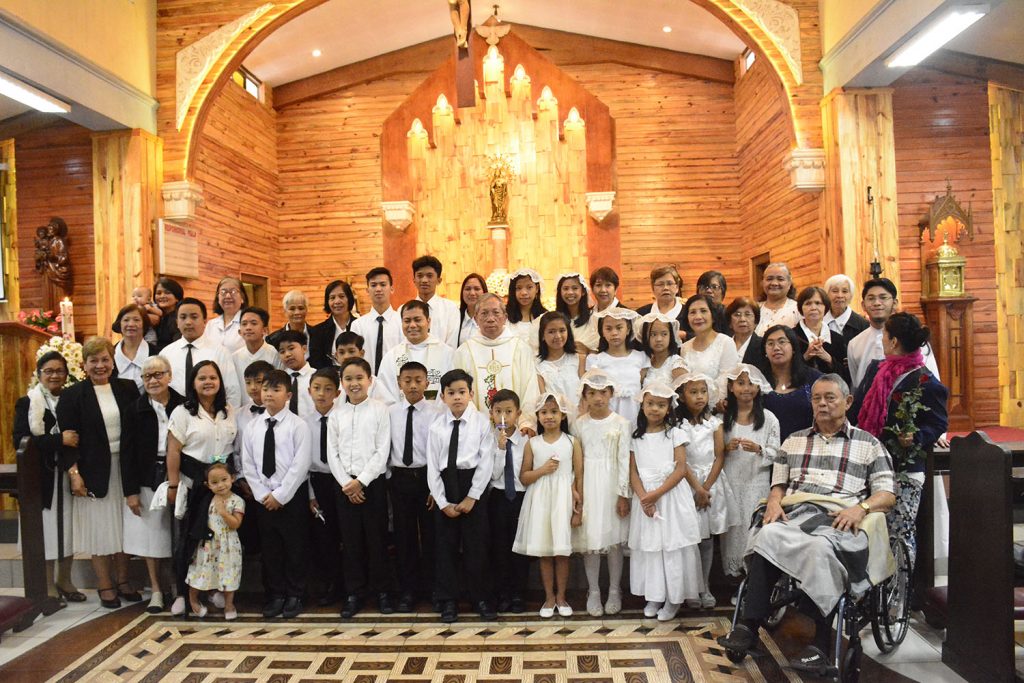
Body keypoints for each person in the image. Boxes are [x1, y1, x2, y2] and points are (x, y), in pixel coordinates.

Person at [718, 374, 896, 674]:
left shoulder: (869, 444)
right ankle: (748, 627)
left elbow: (887, 493)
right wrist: (774, 500)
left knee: (819, 548)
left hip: (839, 516)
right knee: (767, 535)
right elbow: (779, 484)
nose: (822, 404)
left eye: (830, 397)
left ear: (847, 401)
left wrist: (861, 507)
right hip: (797, 511)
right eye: (817, 398)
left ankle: (820, 643)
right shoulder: (795, 439)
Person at [851, 313, 949, 568]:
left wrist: (916, 437)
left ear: (894, 341)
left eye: (884, 335)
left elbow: (939, 422)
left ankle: (899, 598)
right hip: (872, 463)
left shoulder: (925, 380)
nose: (882, 340)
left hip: (905, 468)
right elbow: (858, 408)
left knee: (899, 533)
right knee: (869, 529)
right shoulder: (877, 370)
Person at [57, 337, 140, 609]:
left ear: (113, 362)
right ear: (84, 365)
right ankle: (105, 584)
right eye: (94, 361)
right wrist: (74, 473)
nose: (100, 365)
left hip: (125, 469)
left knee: (125, 528)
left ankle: (124, 581)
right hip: (93, 471)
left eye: (105, 359)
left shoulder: (127, 388)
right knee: (100, 529)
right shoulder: (72, 395)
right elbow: (69, 440)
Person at [166, 360, 238, 616]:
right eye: (202, 378)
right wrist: (173, 484)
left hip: (222, 486)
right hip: (194, 484)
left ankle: (215, 590)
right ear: (193, 383)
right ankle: (183, 595)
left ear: (220, 382)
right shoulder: (182, 412)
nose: (208, 382)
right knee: (190, 540)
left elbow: (231, 448)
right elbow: (173, 451)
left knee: (221, 542)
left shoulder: (228, 410)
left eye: (213, 378)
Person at [627, 381, 703, 622]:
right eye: (650, 404)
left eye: (661, 405)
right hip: (646, 499)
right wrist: (643, 497)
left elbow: (681, 468)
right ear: (642, 406)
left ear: (669, 408)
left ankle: (674, 598)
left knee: (672, 546)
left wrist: (656, 494)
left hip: (669, 495)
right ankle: (655, 594)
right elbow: (633, 472)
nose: (655, 409)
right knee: (652, 547)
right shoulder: (635, 437)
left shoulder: (675, 433)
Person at [426, 369, 496, 623]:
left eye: (462, 392)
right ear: (443, 396)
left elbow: (486, 462)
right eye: (451, 393)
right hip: (446, 485)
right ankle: (448, 600)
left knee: (477, 545)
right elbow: (433, 467)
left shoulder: (481, 424)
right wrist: (443, 502)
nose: (457, 397)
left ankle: (480, 597)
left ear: (471, 394)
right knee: (445, 547)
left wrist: (472, 497)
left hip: (472, 486)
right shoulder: (437, 427)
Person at [240, 368, 311, 619]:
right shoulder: (253, 426)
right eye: (266, 388)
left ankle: (294, 594)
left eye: (276, 389)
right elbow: (247, 462)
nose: (269, 394)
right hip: (263, 499)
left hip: (290, 498)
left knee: (294, 547)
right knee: (270, 550)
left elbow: (300, 464)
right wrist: (262, 494)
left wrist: (281, 495)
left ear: (288, 395)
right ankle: (275, 594)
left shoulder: (298, 425)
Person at [13, 351, 82, 604]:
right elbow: (20, 439)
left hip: (66, 473)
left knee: (67, 528)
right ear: (39, 374)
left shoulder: (70, 400)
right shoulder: (28, 402)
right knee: (46, 530)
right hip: (40, 477)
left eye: (59, 371)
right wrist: (57, 440)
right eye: (49, 371)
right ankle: (47, 585)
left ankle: (65, 580)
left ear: (66, 374)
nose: (54, 375)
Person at [327, 357, 394, 618]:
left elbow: (382, 450)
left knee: (377, 541)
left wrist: (361, 481)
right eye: (348, 379)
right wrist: (347, 483)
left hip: (372, 485)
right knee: (351, 542)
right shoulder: (337, 414)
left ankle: (383, 592)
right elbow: (331, 452)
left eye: (359, 378)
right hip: (344, 487)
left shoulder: (380, 410)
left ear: (370, 380)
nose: (354, 383)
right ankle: (354, 593)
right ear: (342, 383)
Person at [513, 392, 582, 618]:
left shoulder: (572, 442)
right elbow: (524, 477)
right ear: (537, 416)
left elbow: (578, 477)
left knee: (561, 552)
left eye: (554, 412)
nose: (549, 416)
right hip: (540, 500)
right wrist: (542, 470)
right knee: (544, 552)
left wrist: (578, 509)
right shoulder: (532, 444)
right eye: (544, 412)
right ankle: (548, 597)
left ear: (563, 415)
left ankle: (561, 596)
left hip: (562, 500)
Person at [121, 355, 180, 614]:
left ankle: (177, 586)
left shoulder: (184, 404)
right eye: (147, 376)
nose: (153, 380)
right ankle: (156, 589)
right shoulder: (134, 409)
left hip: (178, 476)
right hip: (146, 476)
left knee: (176, 534)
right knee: (150, 537)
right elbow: (127, 453)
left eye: (158, 374)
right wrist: (130, 491)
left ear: (169, 375)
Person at [571, 369, 631, 617]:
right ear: (584, 396)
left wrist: (623, 493)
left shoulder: (621, 423)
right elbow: (576, 460)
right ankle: (593, 590)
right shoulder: (578, 424)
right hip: (588, 484)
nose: (598, 398)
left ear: (611, 394)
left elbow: (625, 459)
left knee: (613, 542)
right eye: (592, 393)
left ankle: (615, 589)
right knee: (591, 542)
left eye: (603, 393)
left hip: (611, 484)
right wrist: (576, 490)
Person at [674, 372, 735, 609]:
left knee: (707, 538)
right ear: (681, 396)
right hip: (686, 482)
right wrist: (696, 488)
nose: (699, 397)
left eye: (703, 391)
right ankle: (692, 587)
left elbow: (720, 455)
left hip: (711, 482)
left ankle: (705, 585)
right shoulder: (678, 425)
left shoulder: (714, 422)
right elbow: (681, 461)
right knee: (690, 538)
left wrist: (706, 487)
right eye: (693, 392)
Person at [388, 361, 442, 613]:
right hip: (399, 478)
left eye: (418, 380)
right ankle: (408, 590)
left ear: (427, 383)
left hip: (426, 478)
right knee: (404, 536)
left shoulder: (436, 413)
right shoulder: (390, 412)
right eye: (407, 380)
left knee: (431, 536)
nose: (412, 385)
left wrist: (434, 486)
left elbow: (438, 453)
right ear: (399, 382)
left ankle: (433, 588)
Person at [718, 364, 780, 578]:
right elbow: (714, 454)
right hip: (731, 481)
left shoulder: (770, 418)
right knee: (733, 529)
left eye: (751, 383)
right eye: (741, 383)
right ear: (731, 387)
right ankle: (733, 575)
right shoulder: (723, 419)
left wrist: (760, 449)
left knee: (752, 527)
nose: (746, 388)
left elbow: (778, 453)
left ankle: (753, 576)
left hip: (757, 482)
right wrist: (726, 448)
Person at [453, 293, 540, 429]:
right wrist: (474, 425)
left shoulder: (520, 348)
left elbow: (531, 388)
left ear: (505, 317)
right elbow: (458, 391)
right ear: (475, 318)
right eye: (484, 313)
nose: (490, 319)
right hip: (476, 431)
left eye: (496, 313)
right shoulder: (464, 352)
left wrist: (526, 422)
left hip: (516, 430)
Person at [847, 278, 940, 391]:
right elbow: (856, 386)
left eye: (883, 297)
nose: (876, 303)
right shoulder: (855, 344)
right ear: (863, 305)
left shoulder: (912, 337)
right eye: (871, 298)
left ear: (894, 303)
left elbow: (932, 380)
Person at [305, 367, 345, 607]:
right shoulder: (303, 423)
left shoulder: (343, 419)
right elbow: (303, 464)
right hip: (317, 482)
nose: (322, 394)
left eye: (328, 389)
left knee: (346, 535)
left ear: (337, 393)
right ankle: (330, 584)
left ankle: (348, 584)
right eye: (317, 388)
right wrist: (310, 495)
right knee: (323, 536)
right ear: (309, 391)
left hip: (340, 481)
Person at [487, 389, 529, 614]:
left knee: (519, 548)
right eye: (498, 411)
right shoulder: (489, 438)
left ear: (518, 413)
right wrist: (500, 450)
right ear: (491, 413)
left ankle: (518, 594)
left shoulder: (526, 439)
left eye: (509, 411)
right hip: (498, 497)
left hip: (520, 497)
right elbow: (492, 476)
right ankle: (502, 593)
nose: (504, 417)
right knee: (500, 547)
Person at [185, 462, 244, 619]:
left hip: (228, 545)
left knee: (229, 573)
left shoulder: (237, 501)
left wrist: (224, 512)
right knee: (200, 571)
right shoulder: (207, 500)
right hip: (208, 545)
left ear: (232, 478)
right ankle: (193, 600)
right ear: (208, 485)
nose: (221, 485)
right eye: (215, 482)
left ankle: (229, 604)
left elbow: (236, 523)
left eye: (224, 479)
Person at [162, 297, 242, 408]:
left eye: (194, 317)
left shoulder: (220, 352)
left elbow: (232, 392)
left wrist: (226, 420)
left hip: (212, 417)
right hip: (174, 416)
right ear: (177, 322)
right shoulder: (166, 354)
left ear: (204, 321)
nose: (188, 322)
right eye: (183, 317)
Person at [376, 300, 456, 404]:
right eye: (407, 321)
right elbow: (384, 394)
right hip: (402, 418)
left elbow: (454, 389)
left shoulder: (447, 354)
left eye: (417, 320)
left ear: (428, 321)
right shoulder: (391, 357)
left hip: (438, 417)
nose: (412, 325)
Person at [585, 307, 647, 426]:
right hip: (608, 416)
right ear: (602, 332)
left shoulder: (641, 357)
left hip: (635, 415)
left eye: (619, 328)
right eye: (608, 328)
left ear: (628, 329)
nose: (614, 333)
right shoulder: (596, 360)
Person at [760, 325, 822, 442]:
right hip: (766, 450)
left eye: (782, 342)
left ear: (793, 347)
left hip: (806, 448)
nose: (776, 348)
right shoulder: (757, 380)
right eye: (770, 344)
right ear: (765, 351)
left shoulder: (814, 379)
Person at [793, 286, 850, 385]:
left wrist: (829, 359)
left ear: (826, 307)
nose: (813, 307)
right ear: (800, 308)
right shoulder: (791, 336)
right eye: (808, 303)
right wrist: (806, 356)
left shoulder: (837, 339)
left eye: (818, 303)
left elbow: (846, 375)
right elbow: (786, 372)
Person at [350, 267, 402, 376]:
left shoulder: (402, 322)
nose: (378, 289)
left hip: (396, 382)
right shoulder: (358, 325)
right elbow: (354, 359)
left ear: (392, 289)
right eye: (373, 285)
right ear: (367, 290)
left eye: (383, 284)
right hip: (366, 384)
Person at [681, 294, 740, 380]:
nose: (698, 317)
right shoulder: (684, 347)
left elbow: (727, 382)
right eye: (692, 312)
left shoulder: (726, 343)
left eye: (703, 311)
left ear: (713, 316)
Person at [231, 306, 282, 402]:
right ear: (240, 332)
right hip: (243, 412)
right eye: (244, 324)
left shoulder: (275, 354)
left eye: (253, 323)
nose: (248, 328)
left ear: (265, 330)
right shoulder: (234, 358)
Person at [535, 311, 584, 407]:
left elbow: (586, 395)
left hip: (579, 417)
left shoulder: (579, 359)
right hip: (554, 418)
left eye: (562, 330)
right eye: (551, 332)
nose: (558, 336)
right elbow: (543, 398)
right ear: (542, 336)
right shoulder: (537, 365)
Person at [413, 255, 461, 348]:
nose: (424, 280)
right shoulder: (404, 310)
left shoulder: (450, 309)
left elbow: (451, 345)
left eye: (429, 276)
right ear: (414, 280)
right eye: (420, 276)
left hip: (443, 361)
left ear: (439, 280)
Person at [309, 280, 357, 369]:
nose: (337, 301)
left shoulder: (360, 326)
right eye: (332, 298)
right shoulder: (317, 331)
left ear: (349, 299)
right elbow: (316, 363)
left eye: (341, 296)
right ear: (327, 302)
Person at [637, 312, 686, 387]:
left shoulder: (676, 363)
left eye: (664, 334)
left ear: (671, 336)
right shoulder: (644, 363)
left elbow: (685, 391)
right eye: (653, 334)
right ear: (645, 337)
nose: (659, 339)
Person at [276, 330, 316, 418]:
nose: (287, 354)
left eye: (291, 348)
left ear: (304, 349)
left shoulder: (317, 377)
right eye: (282, 352)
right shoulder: (277, 380)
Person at [111, 303, 152, 390]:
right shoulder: (110, 354)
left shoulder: (157, 354)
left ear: (144, 324)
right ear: (120, 324)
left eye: (136, 320)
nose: (131, 324)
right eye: (126, 320)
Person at [506, 269, 546, 354]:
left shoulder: (545, 317)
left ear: (537, 289)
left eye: (529, 287)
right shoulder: (505, 317)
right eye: (519, 288)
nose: (524, 293)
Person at [204, 276, 248, 354]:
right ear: (218, 297)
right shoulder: (211, 324)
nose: (228, 296)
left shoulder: (249, 322)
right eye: (223, 292)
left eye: (233, 291)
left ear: (242, 298)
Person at [554, 272, 596, 352]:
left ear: (583, 292)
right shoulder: (554, 319)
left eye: (575, 288)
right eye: (565, 289)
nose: (570, 292)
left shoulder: (594, 318)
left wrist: (587, 350)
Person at [755, 263, 800, 336]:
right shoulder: (755, 309)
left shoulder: (798, 309)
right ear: (763, 282)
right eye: (769, 279)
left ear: (789, 283)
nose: (774, 283)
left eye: (780, 279)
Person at [635, 266, 685, 331]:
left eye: (669, 283)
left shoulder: (688, 313)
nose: (665, 288)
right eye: (660, 284)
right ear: (653, 288)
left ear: (677, 287)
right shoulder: (641, 314)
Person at [823, 274, 869, 344]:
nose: (840, 295)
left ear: (851, 296)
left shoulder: (863, 325)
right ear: (826, 295)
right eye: (835, 291)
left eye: (844, 291)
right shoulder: (819, 321)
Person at [268, 290, 312, 361]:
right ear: (285, 311)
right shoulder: (272, 339)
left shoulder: (318, 335)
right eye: (292, 309)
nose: (297, 312)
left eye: (301, 308)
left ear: (306, 310)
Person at [726, 296, 765, 368]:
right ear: (730, 322)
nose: (742, 319)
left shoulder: (763, 345)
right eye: (737, 315)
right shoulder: (724, 344)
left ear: (756, 322)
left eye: (747, 314)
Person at [153, 277, 185, 352]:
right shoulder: (154, 315)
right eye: (158, 293)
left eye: (167, 292)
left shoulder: (179, 318)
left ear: (177, 297)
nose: (162, 296)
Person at [456, 272, 487, 347]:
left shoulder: (491, 318)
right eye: (468, 289)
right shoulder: (455, 317)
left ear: (484, 292)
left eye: (477, 289)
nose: (472, 293)